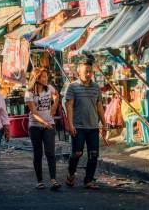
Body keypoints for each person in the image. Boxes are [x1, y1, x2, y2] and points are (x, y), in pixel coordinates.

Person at [65, 58, 106, 190]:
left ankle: (88, 180)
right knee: (77, 153)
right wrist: (70, 124)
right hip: (78, 127)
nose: (88, 74)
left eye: (90, 71)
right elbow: (69, 106)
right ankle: (71, 174)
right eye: (85, 71)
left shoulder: (96, 87)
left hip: (93, 127)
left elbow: (99, 106)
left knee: (94, 154)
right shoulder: (72, 87)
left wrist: (104, 124)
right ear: (78, 73)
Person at [25, 67, 60, 190]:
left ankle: (53, 180)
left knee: (50, 152)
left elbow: (56, 95)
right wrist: (44, 122)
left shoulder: (49, 88)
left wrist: (54, 106)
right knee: (38, 153)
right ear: (37, 79)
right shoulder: (29, 93)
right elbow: (34, 112)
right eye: (44, 77)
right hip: (35, 126)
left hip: (49, 125)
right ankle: (40, 181)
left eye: (46, 76)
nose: (47, 79)